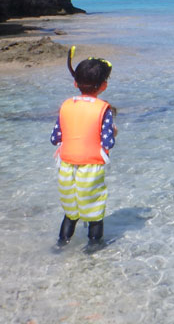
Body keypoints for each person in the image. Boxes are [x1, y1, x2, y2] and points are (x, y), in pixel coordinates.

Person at [50, 52, 117, 246]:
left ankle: (61, 244)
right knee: (94, 211)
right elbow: (108, 142)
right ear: (103, 86)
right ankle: (94, 248)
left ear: (75, 84)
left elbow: (55, 138)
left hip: (66, 165)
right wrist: (114, 132)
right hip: (91, 166)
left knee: (71, 211)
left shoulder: (65, 106)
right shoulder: (103, 108)